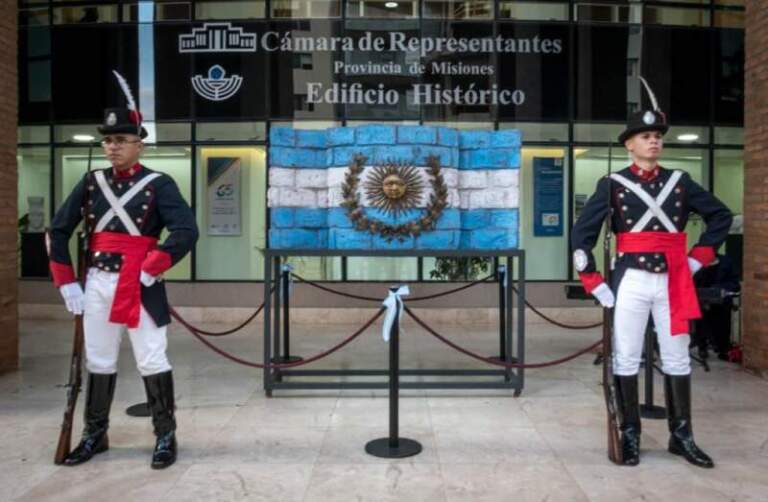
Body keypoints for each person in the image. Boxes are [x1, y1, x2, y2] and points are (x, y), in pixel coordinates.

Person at [571, 78, 732, 468]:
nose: (654, 142)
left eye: (657, 136)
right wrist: (593, 280)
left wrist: (696, 260)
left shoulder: (680, 182)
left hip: (675, 278)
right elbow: (582, 234)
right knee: (626, 357)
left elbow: (720, 216)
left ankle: (682, 436)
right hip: (631, 278)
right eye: (645, 136)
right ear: (629, 144)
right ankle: (629, 435)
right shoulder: (612, 184)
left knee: (677, 357)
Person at [48, 71, 198, 469]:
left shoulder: (159, 183)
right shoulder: (91, 182)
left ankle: (165, 435)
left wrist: (154, 265)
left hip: (141, 282)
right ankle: (94, 434)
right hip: (96, 281)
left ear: (139, 145)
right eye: (108, 140)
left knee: (151, 358)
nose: (111, 147)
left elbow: (186, 230)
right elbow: (58, 231)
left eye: (120, 140)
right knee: (98, 360)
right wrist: (66, 282)